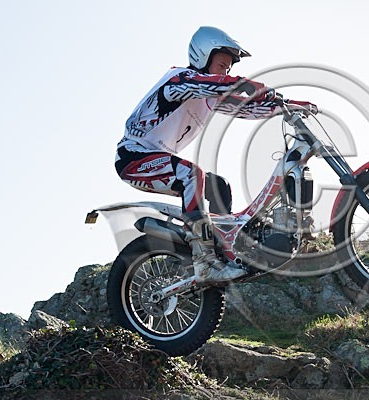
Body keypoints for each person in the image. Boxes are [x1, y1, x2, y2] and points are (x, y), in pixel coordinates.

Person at [114, 26, 315, 282]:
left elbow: (247, 108)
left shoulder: (210, 95)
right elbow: (207, 84)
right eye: (222, 64)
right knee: (191, 175)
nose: (226, 71)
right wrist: (246, 84)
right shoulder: (179, 79)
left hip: (158, 159)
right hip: (133, 157)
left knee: (219, 186)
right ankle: (205, 261)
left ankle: (227, 251)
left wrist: (288, 106)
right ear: (203, 57)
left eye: (229, 68)